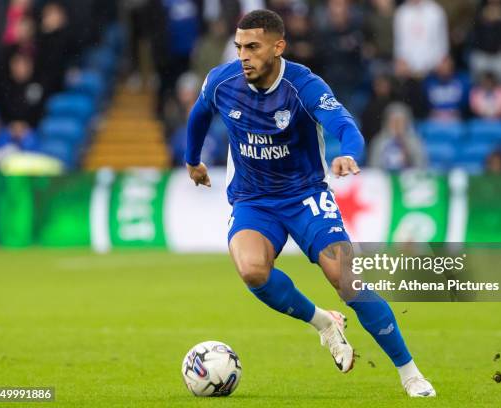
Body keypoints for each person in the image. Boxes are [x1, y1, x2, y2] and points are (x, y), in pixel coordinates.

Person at [184, 9, 436, 398]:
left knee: (347, 280)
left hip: (305, 195)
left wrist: (348, 152)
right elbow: (199, 115)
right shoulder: (222, 81)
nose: (243, 55)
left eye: (252, 47)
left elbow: (344, 125)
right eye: (239, 47)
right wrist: (192, 160)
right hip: (254, 199)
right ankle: (324, 324)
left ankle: (410, 372)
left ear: (278, 46)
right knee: (252, 271)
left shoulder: (303, 85)